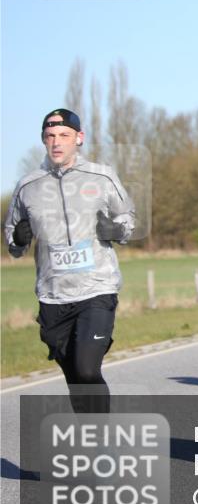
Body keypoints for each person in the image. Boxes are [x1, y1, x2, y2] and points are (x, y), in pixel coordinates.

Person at [4, 109, 135, 413]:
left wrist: (117, 229)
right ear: (43, 140)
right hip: (53, 296)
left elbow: (127, 219)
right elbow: (12, 242)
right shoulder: (28, 186)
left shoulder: (102, 176)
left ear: (79, 138)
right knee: (76, 379)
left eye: (64, 135)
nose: (57, 143)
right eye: (50, 136)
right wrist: (18, 239)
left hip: (97, 289)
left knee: (88, 369)